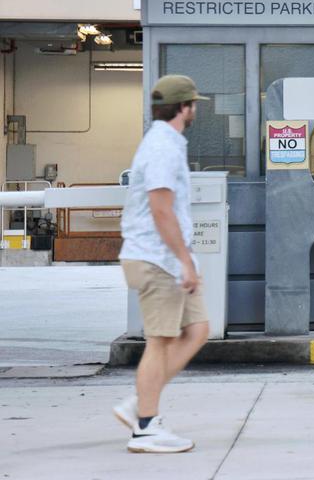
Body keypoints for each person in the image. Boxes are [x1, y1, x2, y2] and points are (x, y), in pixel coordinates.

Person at [113, 75, 210, 453]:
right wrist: (186, 262)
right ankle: (147, 427)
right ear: (185, 107)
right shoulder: (162, 147)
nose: (195, 109)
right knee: (161, 340)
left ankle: (141, 402)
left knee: (198, 329)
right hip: (157, 258)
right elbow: (160, 209)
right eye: (194, 103)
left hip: (167, 258)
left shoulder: (168, 143)